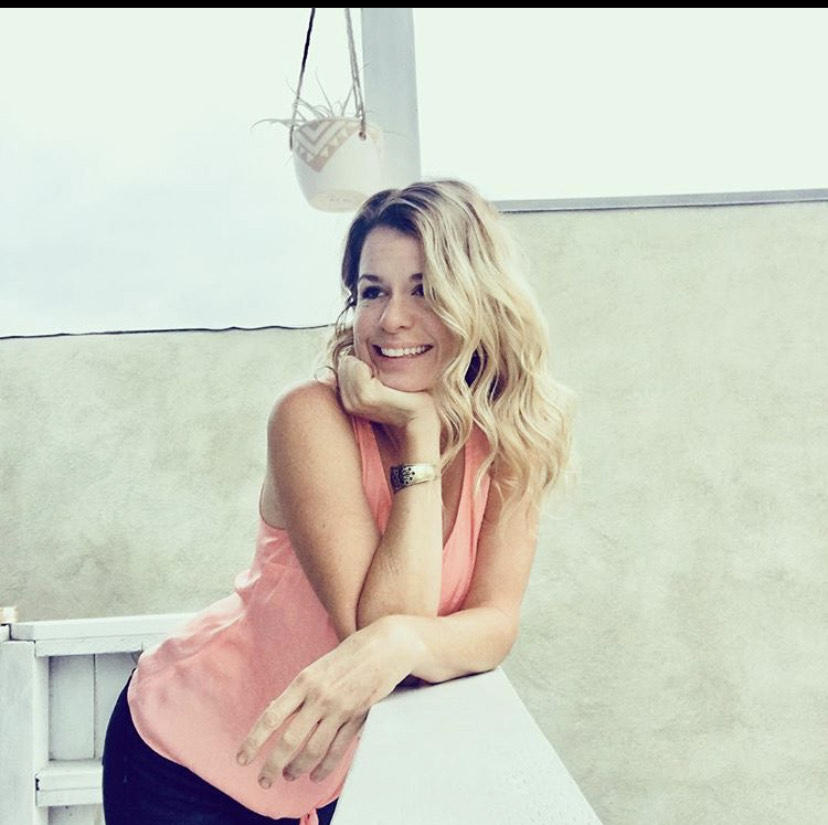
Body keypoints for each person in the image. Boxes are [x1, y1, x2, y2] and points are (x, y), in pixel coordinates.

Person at [101, 178, 573, 825]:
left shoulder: (510, 442)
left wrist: (405, 642)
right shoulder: (310, 417)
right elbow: (374, 626)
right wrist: (419, 429)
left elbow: (495, 622)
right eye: (372, 291)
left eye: (424, 289)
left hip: (325, 783)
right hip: (191, 759)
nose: (392, 318)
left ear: (478, 298)